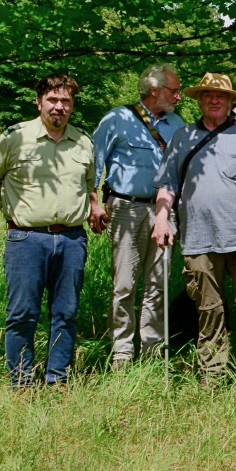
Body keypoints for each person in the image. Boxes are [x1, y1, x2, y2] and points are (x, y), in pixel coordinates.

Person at [0, 73, 104, 388]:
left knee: (66, 313)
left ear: (72, 105)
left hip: (73, 239)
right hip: (26, 239)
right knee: (22, 314)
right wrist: (13, 211)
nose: (59, 107)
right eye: (52, 100)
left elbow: (89, 185)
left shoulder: (84, 142)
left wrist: (94, 205)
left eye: (66, 101)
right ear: (39, 102)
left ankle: (57, 379)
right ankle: (21, 381)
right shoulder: (15, 138)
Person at [152, 72, 236, 383]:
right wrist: (162, 217)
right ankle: (213, 373)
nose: (214, 100)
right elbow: (167, 184)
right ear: (199, 100)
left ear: (232, 101)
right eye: (207, 95)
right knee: (209, 309)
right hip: (198, 238)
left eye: (221, 96)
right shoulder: (183, 138)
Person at [91, 63, 185, 369]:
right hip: (126, 208)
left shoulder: (177, 124)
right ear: (155, 90)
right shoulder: (117, 119)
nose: (179, 97)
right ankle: (121, 352)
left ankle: (152, 350)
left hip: (165, 211)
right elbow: (93, 161)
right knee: (124, 284)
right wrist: (93, 202)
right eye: (174, 90)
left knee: (158, 284)